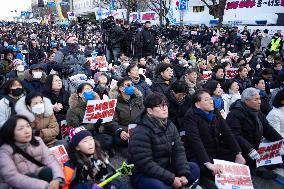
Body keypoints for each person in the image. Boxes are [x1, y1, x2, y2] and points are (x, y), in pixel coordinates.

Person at [128, 93, 200, 189]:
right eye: (160, 106)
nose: (165, 108)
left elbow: (179, 151)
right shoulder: (140, 131)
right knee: (158, 186)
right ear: (149, 110)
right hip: (144, 173)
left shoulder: (170, 125)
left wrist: (183, 174)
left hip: (165, 167)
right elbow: (145, 163)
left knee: (194, 168)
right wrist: (171, 179)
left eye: (165, 105)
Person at [182, 90, 245, 189]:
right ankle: (203, 181)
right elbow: (195, 141)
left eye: (211, 98)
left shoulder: (215, 111)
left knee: (237, 160)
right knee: (206, 170)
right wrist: (208, 163)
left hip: (215, 150)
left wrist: (238, 153)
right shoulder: (190, 116)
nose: (211, 101)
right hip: (198, 154)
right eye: (206, 100)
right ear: (197, 104)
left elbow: (227, 133)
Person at [226, 88, 284, 179]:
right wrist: (250, 149)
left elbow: (268, 129)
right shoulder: (234, 114)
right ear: (247, 101)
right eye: (256, 99)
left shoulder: (258, 112)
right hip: (243, 149)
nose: (259, 102)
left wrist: (281, 141)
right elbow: (235, 136)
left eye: (259, 99)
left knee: (278, 157)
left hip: (257, 146)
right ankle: (256, 171)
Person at [0, 115, 65, 189]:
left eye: (28, 126)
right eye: (21, 129)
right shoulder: (4, 151)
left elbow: (51, 160)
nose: (27, 131)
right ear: (11, 132)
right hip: (12, 186)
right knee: (31, 176)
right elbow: (12, 177)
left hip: (36, 178)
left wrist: (57, 179)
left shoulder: (37, 141)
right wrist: (45, 186)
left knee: (47, 172)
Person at [66, 83, 114, 154]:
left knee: (109, 138)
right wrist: (93, 125)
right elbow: (75, 128)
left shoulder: (96, 105)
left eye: (91, 89)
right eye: (87, 89)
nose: (91, 91)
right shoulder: (73, 109)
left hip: (97, 132)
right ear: (80, 94)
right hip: (83, 136)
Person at [109, 77, 144, 147]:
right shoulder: (114, 103)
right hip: (125, 130)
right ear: (121, 88)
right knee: (119, 140)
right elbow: (112, 122)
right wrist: (120, 131)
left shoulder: (138, 100)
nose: (131, 87)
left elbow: (144, 115)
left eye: (132, 85)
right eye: (128, 85)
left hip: (139, 129)